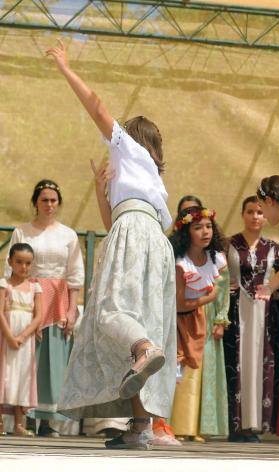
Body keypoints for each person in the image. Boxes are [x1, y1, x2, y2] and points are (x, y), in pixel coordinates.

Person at [49, 40, 177, 450]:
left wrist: (66, 69)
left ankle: (143, 347)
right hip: (154, 242)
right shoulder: (155, 184)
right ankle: (140, 428)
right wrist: (101, 189)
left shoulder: (129, 148)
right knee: (139, 323)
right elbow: (111, 220)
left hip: (133, 235)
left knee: (110, 312)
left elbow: (98, 107)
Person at [4, 180, 84, 436]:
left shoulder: (68, 234)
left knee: (53, 360)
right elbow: (10, 271)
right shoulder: (22, 231)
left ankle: (47, 422)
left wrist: (72, 310)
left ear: (58, 203)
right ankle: (22, 418)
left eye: (53, 200)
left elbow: (74, 274)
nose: (49, 205)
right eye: (44, 200)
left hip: (57, 300)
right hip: (27, 300)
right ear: (35, 202)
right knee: (26, 359)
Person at [225, 195, 279, 441]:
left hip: (265, 315)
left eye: (260, 212)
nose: (255, 217)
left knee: (261, 363)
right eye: (250, 211)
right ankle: (235, 424)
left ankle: (255, 425)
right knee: (237, 362)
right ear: (242, 214)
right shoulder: (228, 244)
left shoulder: (275, 248)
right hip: (235, 312)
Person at [170, 205, 229, 442]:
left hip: (208, 316)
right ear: (187, 233)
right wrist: (207, 298)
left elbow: (223, 291)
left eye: (208, 227)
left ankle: (200, 426)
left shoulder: (217, 259)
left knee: (204, 371)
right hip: (184, 318)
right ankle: (178, 424)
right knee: (183, 370)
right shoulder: (181, 262)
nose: (205, 232)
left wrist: (220, 319)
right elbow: (180, 302)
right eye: (198, 227)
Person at [0, 244, 42, 437]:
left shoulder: (35, 287)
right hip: (5, 338)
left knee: (21, 378)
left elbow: (38, 316)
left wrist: (22, 337)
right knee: (4, 376)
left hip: (25, 342)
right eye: (19, 262)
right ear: (10, 261)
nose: (23, 267)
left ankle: (18, 424)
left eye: (27, 263)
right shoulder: (4, 285)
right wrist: (9, 336)